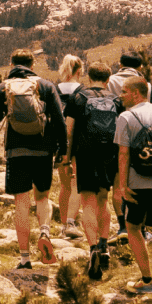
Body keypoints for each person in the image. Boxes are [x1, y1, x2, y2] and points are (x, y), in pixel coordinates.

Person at [0, 49, 66, 269]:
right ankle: (45, 233)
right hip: (43, 151)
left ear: (11, 64)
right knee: (43, 197)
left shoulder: (2, 89)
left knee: (21, 202)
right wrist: (62, 150)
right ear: (32, 64)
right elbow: (59, 121)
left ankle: (25, 257)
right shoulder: (45, 86)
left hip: (16, 151)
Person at [114, 75, 152, 297]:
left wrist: (122, 185)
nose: (120, 96)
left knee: (133, 227)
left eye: (124, 92)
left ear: (136, 93)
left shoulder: (125, 117)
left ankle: (148, 281)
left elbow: (123, 154)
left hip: (136, 184)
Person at [63, 62, 121, 279]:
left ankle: (93, 248)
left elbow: (69, 131)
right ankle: (105, 246)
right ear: (108, 78)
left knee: (87, 201)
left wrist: (67, 159)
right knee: (103, 199)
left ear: (89, 76)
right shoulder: (116, 100)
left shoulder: (78, 97)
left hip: (85, 154)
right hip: (109, 153)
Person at [107, 52, 152, 240]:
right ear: (140, 67)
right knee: (141, 180)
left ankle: (122, 226)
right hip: (140, 134)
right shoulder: (145, 84)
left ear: (120, 64)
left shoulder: (111, 81)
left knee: (118, 182)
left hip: (116, 132)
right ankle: (141, 227)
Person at [53, 54, 86, 237]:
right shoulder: (82, 91)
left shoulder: (55, 89)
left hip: (59, 141)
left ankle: (63, 224)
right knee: (76, 185)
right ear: (79, 70)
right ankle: (71, 224)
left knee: (64, 185)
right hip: (77, 141)